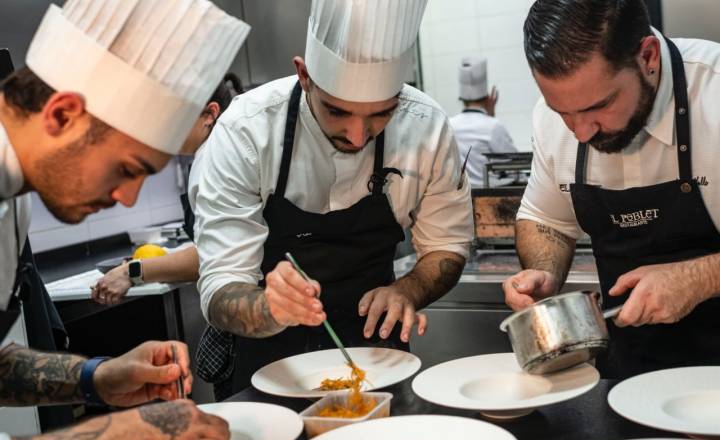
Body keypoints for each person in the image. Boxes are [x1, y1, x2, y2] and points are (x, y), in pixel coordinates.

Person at [0, 1, 249, 440]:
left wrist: (100, 377)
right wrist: (125, 434)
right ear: (63, 114)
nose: (128, 199)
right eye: (126, 169)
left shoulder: (16, 199)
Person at [190, 0, 474, 398]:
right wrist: (269, 308)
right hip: (270, 366)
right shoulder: (246, 132)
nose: (358, 137)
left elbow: (447, 246)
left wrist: (408, 290)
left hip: (378, 359)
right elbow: (221, 286)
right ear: (304, 75)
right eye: (338, 112)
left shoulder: (425, 126)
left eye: (381, 114)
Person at [503, 0, 720, 379]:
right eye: (563, 113)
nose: (580, 131)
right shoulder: (554, 117)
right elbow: (545, 219)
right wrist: (543, 272)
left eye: (598, 106)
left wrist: (698, 277)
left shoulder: (714, 91)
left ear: (648, 57)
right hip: (630, 376)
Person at [91, 74, 242, 306]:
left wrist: (131, 271)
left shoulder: (218, 162)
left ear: (209, 114)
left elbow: (216, 254)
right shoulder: (213, 155)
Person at [449, 57, 517, 188]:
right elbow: (513, 164)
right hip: (492, 194)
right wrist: (491, 115)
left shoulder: (450, 125)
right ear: (488, 99)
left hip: (462, 197)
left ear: (461, 99)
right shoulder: (493, 126)